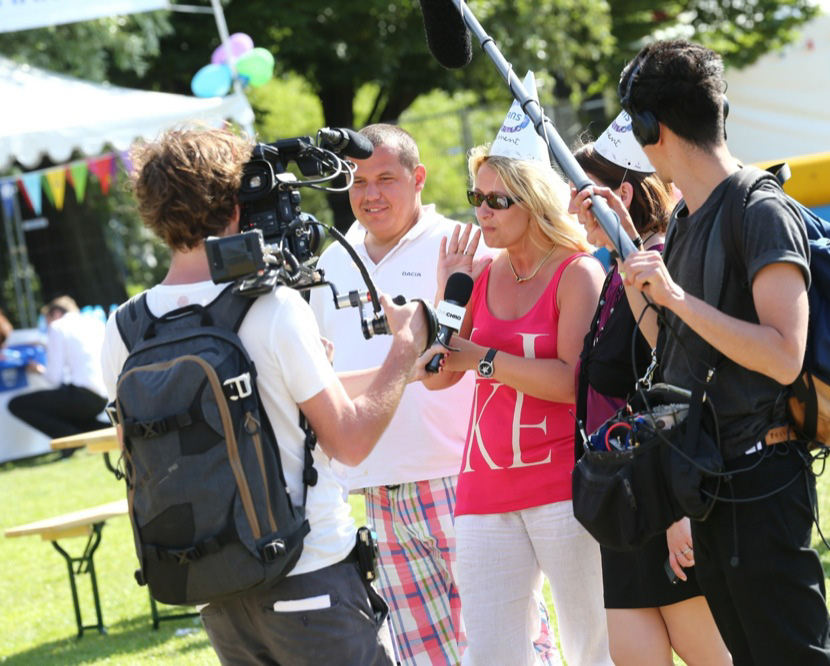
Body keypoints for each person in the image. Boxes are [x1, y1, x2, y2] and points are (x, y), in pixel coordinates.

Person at [101, 126, 430, 665]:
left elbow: (138, 452)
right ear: (235, 204)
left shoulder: (127, 327)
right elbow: (349, 442)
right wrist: (405, 346)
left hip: (218, 587)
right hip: (310, 576)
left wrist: (392, 374)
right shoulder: (271, 307)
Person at [571, 40, 830, 665]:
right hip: (709, 481)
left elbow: (782, 355)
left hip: (763, 477)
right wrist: (632, 259)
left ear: (648, 128)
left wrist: (678, 297)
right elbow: (674, 348)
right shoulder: (690, 219)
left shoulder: (760, 208)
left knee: (797, 656)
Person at [310, 123, 557, 666]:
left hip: (463, 477)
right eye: (357, 181)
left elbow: (486, 359)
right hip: (376, 487)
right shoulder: (328, 262)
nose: (370, 193)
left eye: (385, 178)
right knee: (422, 654)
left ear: (418, 178)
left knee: (507, 639)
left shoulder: (464, 245)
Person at [423, 72, 612, 665]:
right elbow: (435, 373)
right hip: (483, 485)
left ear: (533, 201)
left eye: (497, 200)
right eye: (476, 196)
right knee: (493, 652)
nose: (482, 210)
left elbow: (571, 382)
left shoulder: (578, 272)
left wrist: (483, 359)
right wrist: (446, 298)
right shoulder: (478, 272)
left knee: (591, 644)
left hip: (562, 482)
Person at [570, 113, 731, 666]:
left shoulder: (660, 263)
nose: (573, 206)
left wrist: (675, 514)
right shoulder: (616, 270)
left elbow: (675, 383)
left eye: (582, 193)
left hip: (664, 502)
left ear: (621, 193)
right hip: (627, 501)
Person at [8, 295, 108, 456]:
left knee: (17, 405)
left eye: (46, 321)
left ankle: (68, 439)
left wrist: (38, 369)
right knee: (64, 408)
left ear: (55, 314)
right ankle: (105, 429)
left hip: (82, 397)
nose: (47, 326)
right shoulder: (94, 323)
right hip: (104, 397)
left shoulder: (57, 327)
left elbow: (54, 378)